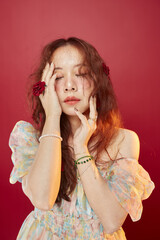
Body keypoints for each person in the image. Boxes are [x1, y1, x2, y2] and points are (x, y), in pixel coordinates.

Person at [9, 37, 155, 240]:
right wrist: (52, 116)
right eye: (58, 77)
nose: (69, 85)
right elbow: (43, 200)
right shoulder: (31, 139)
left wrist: (81, 148)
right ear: (46, 86)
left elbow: (112, 221)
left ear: (97, 81)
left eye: (81, 73)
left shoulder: (123, 141)